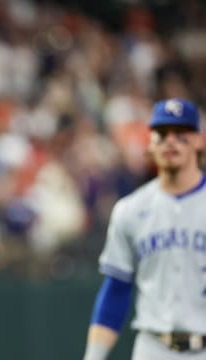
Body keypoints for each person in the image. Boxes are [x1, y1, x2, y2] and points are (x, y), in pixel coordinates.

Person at [83, 98, 206, 359]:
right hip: (153, 347)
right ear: (150, 143)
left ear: (198, 140)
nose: (170, 141)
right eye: (161, 134)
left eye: (181, 133)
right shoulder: (130, 210)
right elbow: (116, 288)